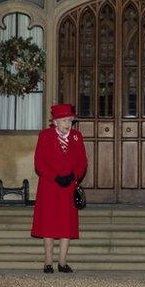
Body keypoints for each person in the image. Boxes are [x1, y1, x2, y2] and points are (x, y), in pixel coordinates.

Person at [31, 104, 88, 274]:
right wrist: (55, 177)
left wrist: (73, 176)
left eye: (70, 120)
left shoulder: (77, 137)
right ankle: (48, 262)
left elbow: (83, 162)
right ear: (55, 122)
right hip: (50, 186)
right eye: (64, 120)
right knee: (48, 223)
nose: (67, 124)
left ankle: (62, 262)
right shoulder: (45, 136)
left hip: (68, 187)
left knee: (66, 224)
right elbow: (39, 163)